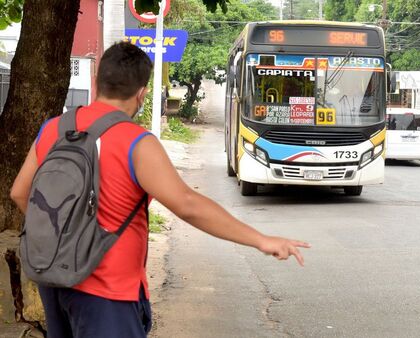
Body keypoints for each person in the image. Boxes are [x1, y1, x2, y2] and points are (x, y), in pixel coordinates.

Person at [9, 42, 309, 338]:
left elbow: (19, 193)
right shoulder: (135, 141)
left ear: (99, 80)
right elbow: (187, 204)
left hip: (53, 282)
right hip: (109, 293)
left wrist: (63, 240)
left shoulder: (53, 129)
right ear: (141, 93)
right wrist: (260, 240)